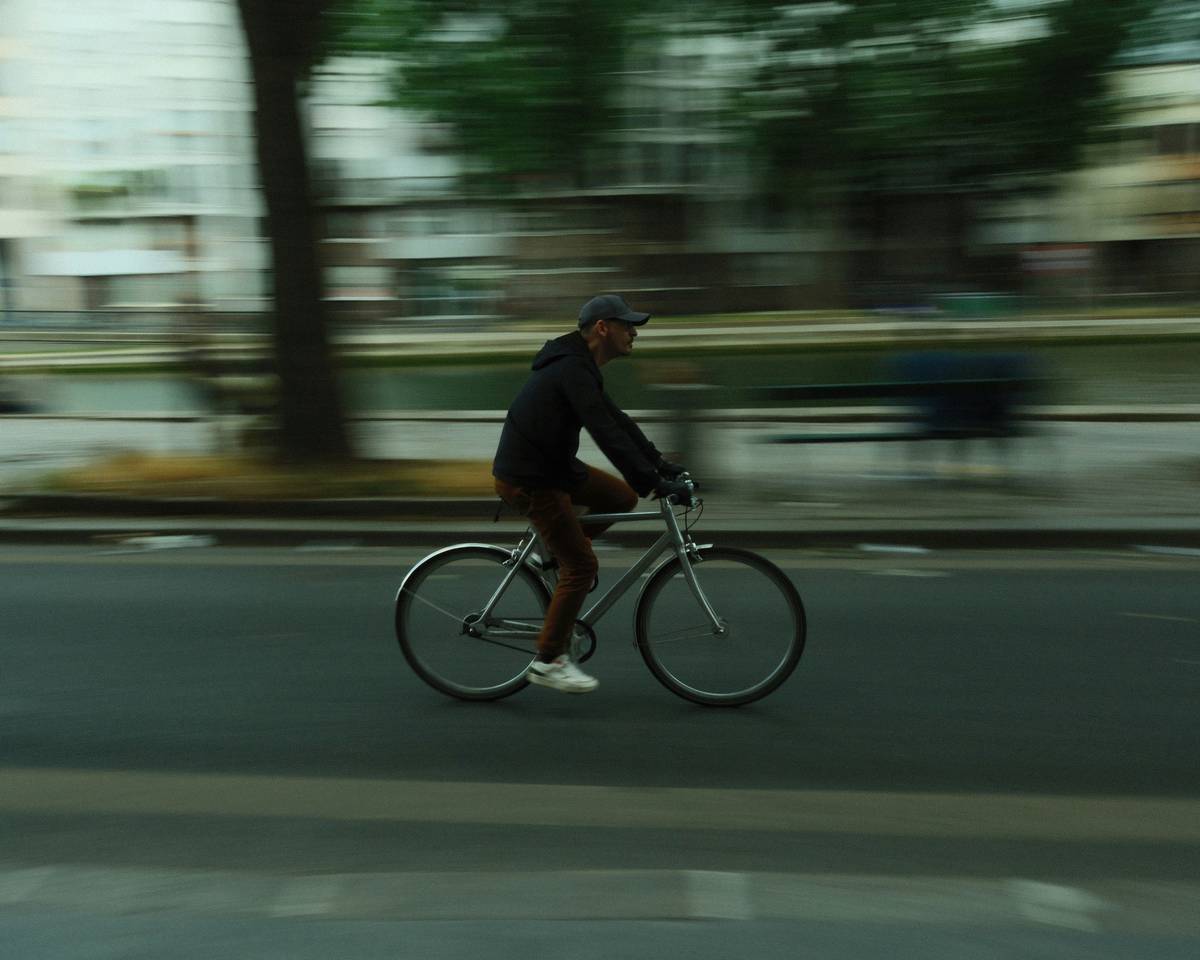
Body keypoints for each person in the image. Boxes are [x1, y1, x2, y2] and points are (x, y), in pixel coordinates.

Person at [492, 294, 690, 694]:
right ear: (603, 328)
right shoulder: (571, 368)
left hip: (554, 469)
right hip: (533, 479)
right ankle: (549, 660)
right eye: (628, 325)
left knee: (620, 497)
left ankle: (551, 553)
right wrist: (652, 482)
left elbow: (617, 422)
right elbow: (604, 433)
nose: (635, 332)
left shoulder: (580, 367)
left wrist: (661, 465)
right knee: (581, 566)